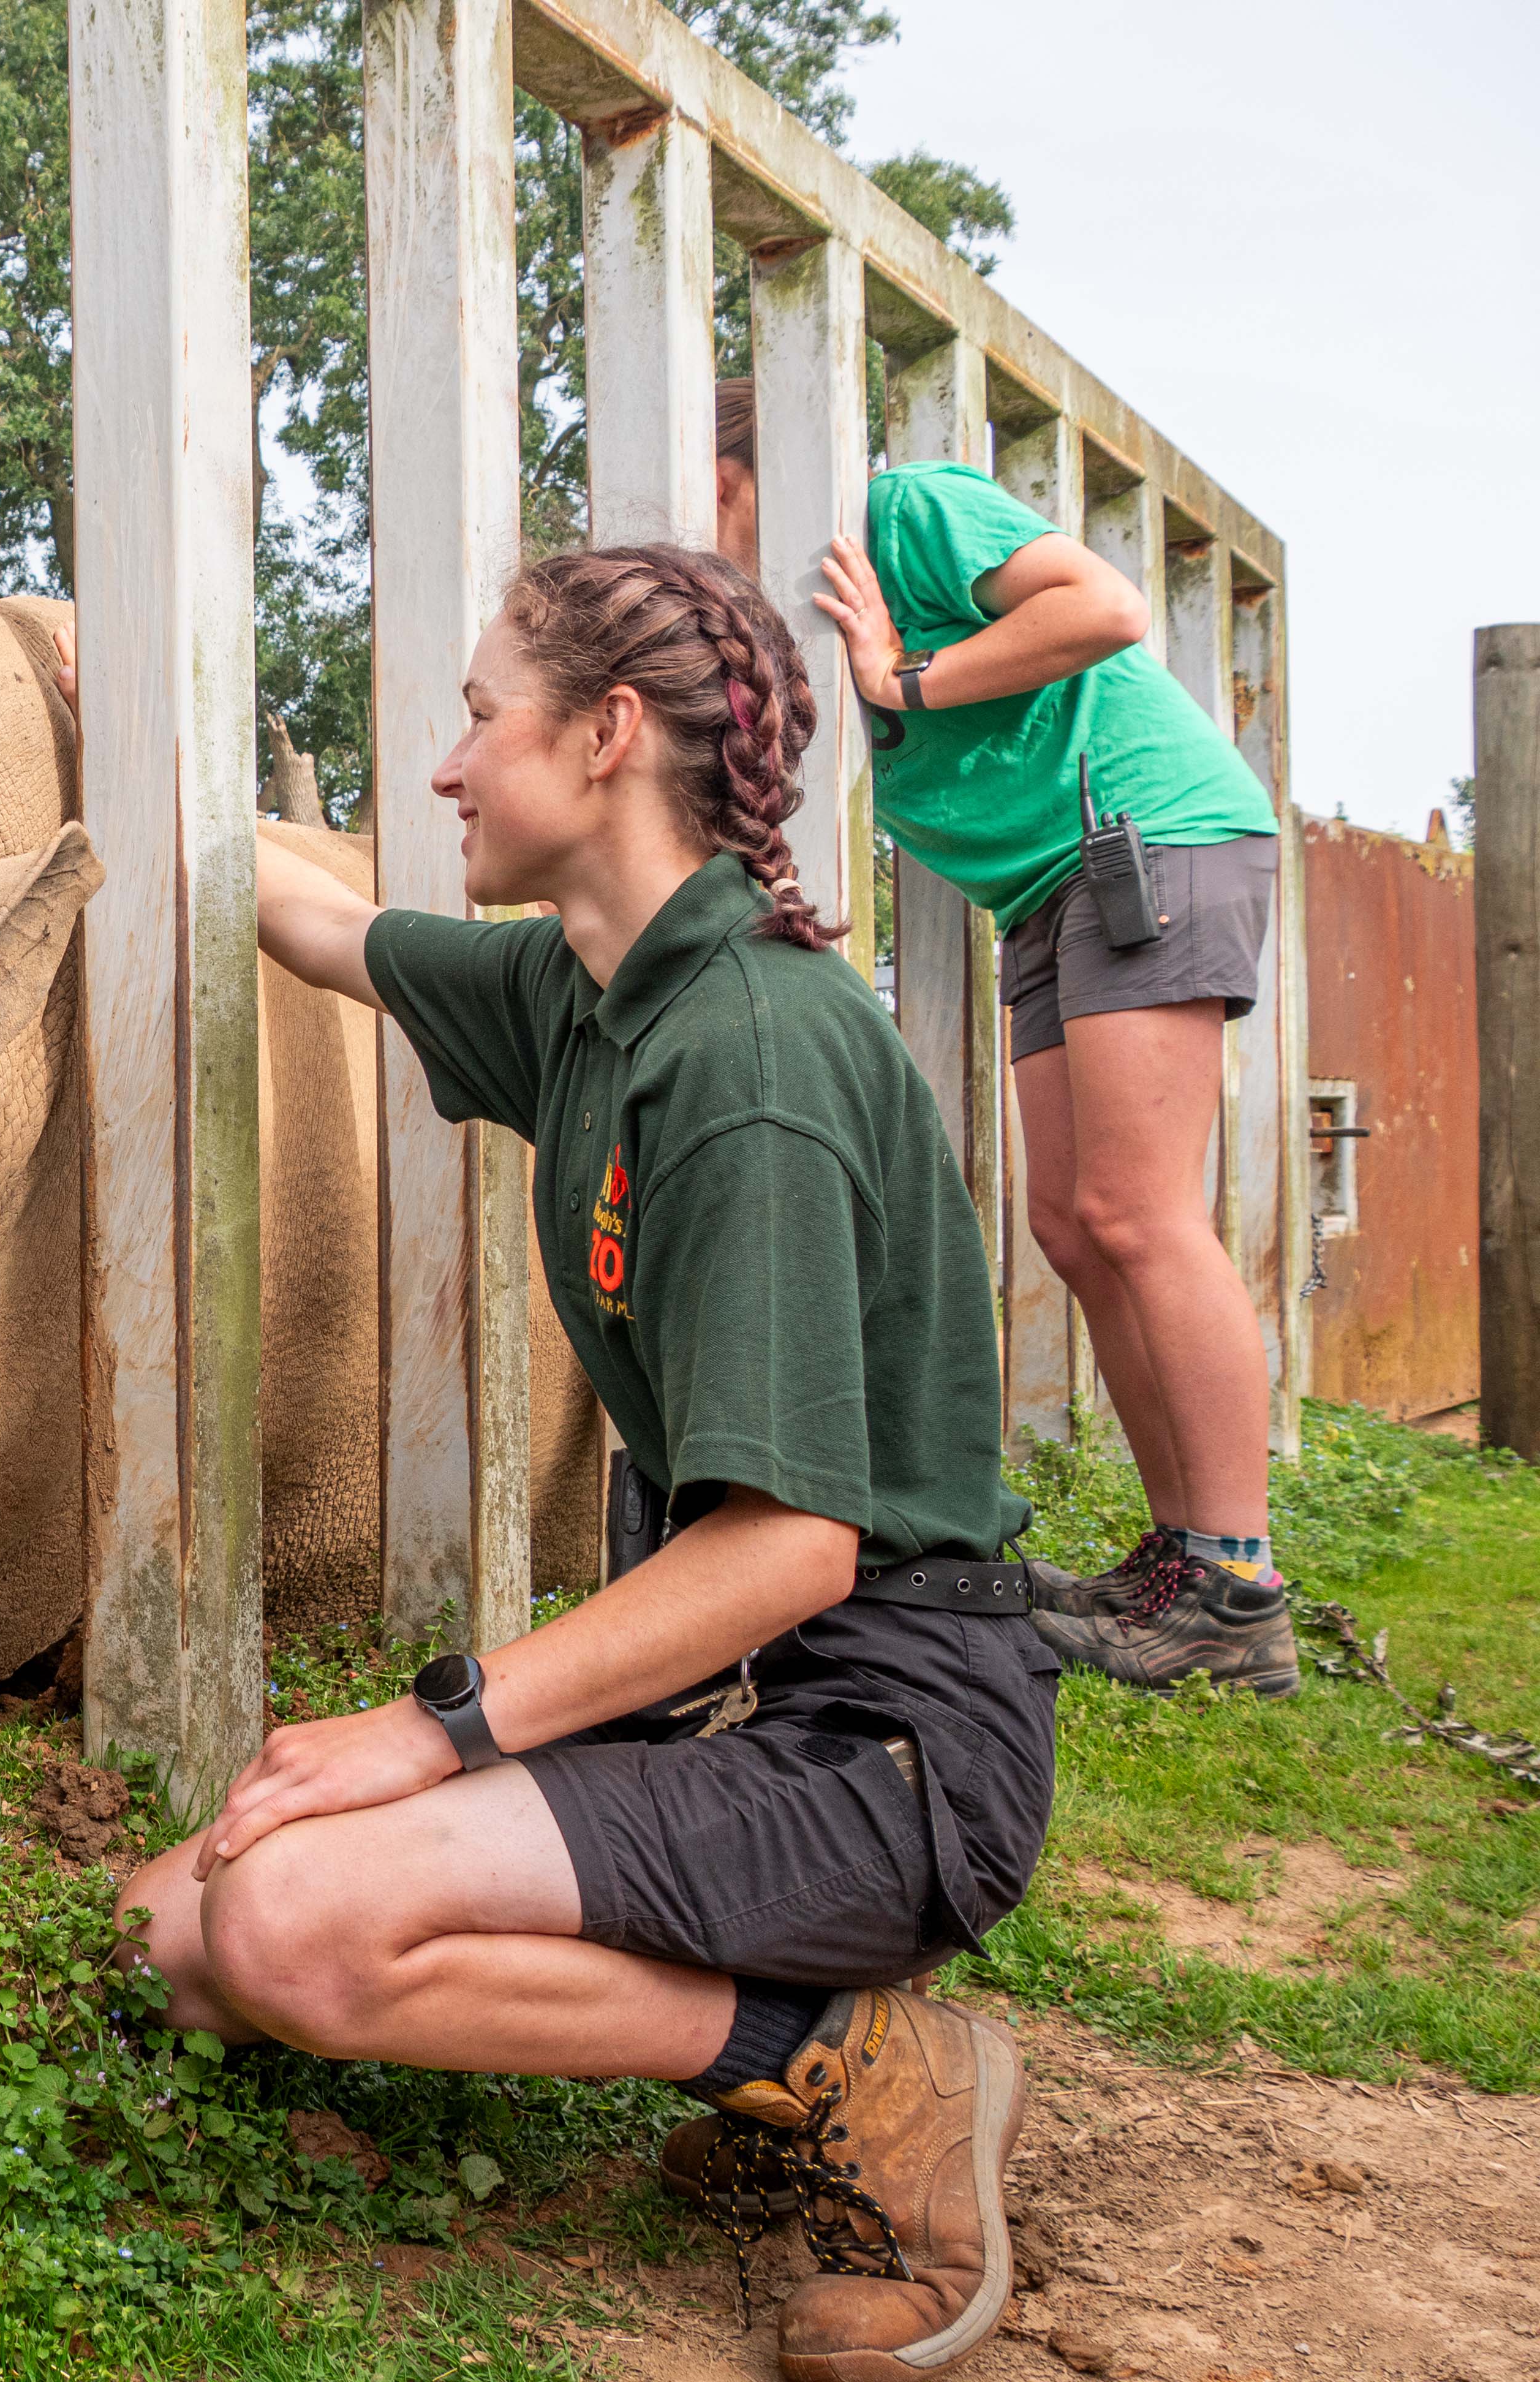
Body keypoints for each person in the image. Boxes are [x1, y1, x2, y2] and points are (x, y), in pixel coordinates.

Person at [78, 546, 1057, 2382]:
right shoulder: (589, 995)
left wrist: (430, 1728)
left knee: (287, 1925)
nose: (442, 770)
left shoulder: (748, 1063)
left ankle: (846, 2059)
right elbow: (311, 925)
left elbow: (789, 1556)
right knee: (172, 1926)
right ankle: (783, 2014)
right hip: (738, 1703)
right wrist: (94, 739)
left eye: (473, 718)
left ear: (605, 736)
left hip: (884, 1741)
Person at [713, 382, 1297, 1698]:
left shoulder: (905, 509)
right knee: (1076, 1228)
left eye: (698, 491)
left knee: (1143, 1216)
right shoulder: (773, 634)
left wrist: (906, 675)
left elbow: (1103, 608)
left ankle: (1237, 1588)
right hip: (1051, 887)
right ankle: (1177, 1564)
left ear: (738, 468)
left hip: (1144, 837)